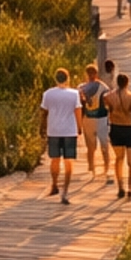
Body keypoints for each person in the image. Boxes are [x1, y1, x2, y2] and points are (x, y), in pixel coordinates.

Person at [38, 66, 83, 202]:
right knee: (68, 160)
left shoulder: (48, 94)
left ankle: (54, 184)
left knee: (55, 159)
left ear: (55, 78)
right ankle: (65, 191)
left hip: (54, 130)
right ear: (68, 78)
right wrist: (79, 127)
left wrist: (42, 128)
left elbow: (44, 113)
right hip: (69, 130)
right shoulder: (74, 94)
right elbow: (78, 111)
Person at [108, 71, 131, 194]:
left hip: (116, 129)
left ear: (117, 83)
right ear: (127, 83)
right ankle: (130, 187)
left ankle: (120, 187)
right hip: (129, 130)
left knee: (119, 159)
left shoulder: (108, 97)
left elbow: (108, 113)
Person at [78, 63, 112, 184]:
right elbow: (108, 102)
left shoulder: (81, 88)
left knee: (94, 146)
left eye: (92, 73)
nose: (91, 75)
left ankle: (96, 168)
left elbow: (79, 105)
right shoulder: (103, 87)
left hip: (90, 119)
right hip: (99, 118)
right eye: (90, 73)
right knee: (98, 146)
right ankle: (99, 168)